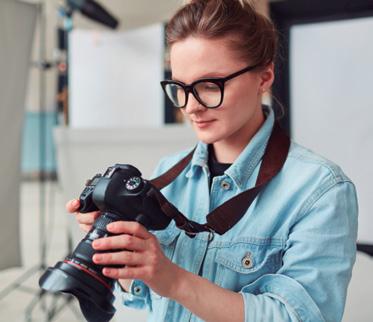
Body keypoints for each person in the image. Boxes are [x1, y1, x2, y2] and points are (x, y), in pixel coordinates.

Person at [66, 0, 358, 321]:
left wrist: (173, 279)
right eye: (180, 87)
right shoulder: (168, 173)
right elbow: (150, 305)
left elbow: (297, 318)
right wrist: (122, 254)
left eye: (210, 85)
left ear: (264, 76)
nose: (190, 107)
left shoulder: (321, 191)